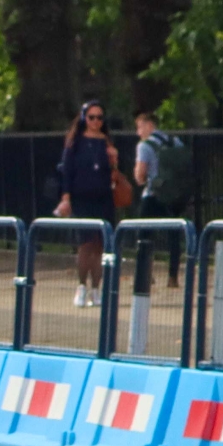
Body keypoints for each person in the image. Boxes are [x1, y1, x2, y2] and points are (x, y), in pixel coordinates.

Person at [53, 103, 122, 306]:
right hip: (81, 198)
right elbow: (67, 171)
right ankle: (82, 286)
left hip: (103, 197)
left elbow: (114, 175)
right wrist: (66, 198)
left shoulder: (106, 142)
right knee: (85, 244)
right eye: (91, 117)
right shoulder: (75, 142)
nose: (96, 122)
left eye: (99, 118)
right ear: (84, 118)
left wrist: (114, 160)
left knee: (100, 245)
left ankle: (96, 289)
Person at [130, 107, 185, 288]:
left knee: (144, 235)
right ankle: (173, 277)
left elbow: (140, 175)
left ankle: (146, 274)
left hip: (153, 195)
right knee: (174, 236)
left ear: (149, 125)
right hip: (174, 195)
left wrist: (140, 176)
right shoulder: (175, 141)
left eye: (140, 127)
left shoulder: (144, 146)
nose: (138, 132)